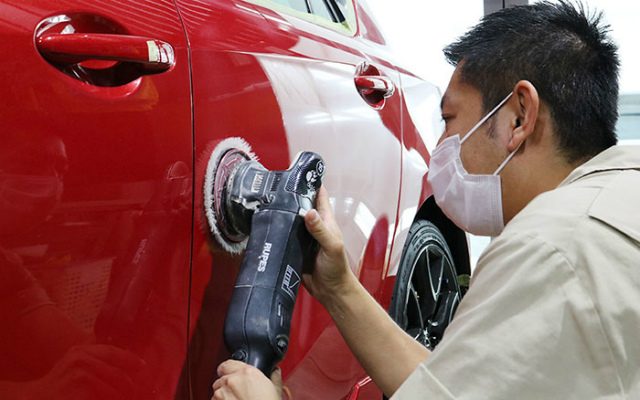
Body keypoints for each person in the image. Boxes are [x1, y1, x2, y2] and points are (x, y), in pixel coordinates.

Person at [212, 1, 640, 398]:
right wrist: (339, 288)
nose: (440, 146)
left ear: (519, 116)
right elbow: (451, 388)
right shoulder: (615, 200)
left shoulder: (551, 248)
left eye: (450, 119)